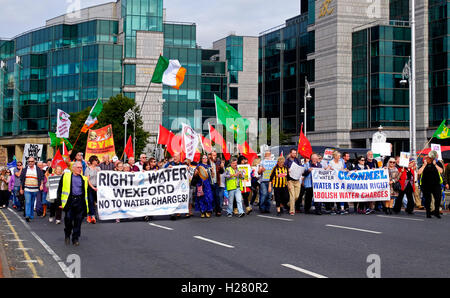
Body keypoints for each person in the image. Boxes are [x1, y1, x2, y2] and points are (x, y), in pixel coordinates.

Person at [56, 161, 89, 246]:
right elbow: (59, 189)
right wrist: (59, 202)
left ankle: (75, 238)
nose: (80, 169)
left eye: (81, 167)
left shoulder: (84, 178)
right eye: (78, 167)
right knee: (68, 220)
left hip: (80, 202)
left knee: (78, 221)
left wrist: (86, 206)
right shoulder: (66, 176)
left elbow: (85, 193)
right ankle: (67, 235)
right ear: (73, 168)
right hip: (70, 201)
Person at [417, 154, 443, 218]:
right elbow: (419, 172)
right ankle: (428, 213)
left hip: (436, 184)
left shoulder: (436, 164)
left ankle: (436, 212)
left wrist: (435, 165)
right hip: (426, 185)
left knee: (438, 198)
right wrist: (424, 165)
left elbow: (441, 171)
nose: (428, 159)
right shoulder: (423, 165)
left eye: (429, 158)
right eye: (426, 158)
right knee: (428, 199)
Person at [20, 157, 45, 222]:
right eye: (29, 161)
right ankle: (27, 215)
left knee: (32, 202)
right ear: (28, 162)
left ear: (34, 162)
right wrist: (21, 189)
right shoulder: (25, 170)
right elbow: (21, 180)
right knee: (28, 202)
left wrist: (41, 185)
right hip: (27, 189)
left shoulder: (38, 169)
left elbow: (42, 178)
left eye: (32, 161)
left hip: (35, 189)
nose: (30, 163)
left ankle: (31, 215)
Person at [284, 149, 302, 216]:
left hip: (297, 180)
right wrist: (287, 170)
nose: (294, 154)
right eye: (293, 153)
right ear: (290, 153)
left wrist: (301, 170)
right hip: (290, 180)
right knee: (292, 195)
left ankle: (289, 204)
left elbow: (301, 167)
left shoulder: (297, 160)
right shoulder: (287, 161)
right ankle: (292, 210)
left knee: (297, 196)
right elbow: (284, 169)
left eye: (295, 153)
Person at [85, 155, 101, 224]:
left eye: (97, 160)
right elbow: (87, 180)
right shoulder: (88, 169)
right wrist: (92, 187)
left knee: (98, 202)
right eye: (95, 160)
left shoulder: (98, 168)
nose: (96, 161)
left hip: (98, 187)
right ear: (92, 161)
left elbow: (102, 177)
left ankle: (95, 214)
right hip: (90, 187)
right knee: (91, 201)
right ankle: (92, 216)